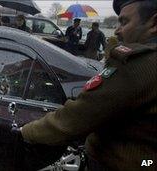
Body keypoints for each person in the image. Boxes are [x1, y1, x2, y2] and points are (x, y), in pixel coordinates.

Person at [16, 0, 157, 170]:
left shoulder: (136, 63)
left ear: (154, 23)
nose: (118, 30)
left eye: (124, 22)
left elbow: (76, 117)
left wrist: (26, 132)